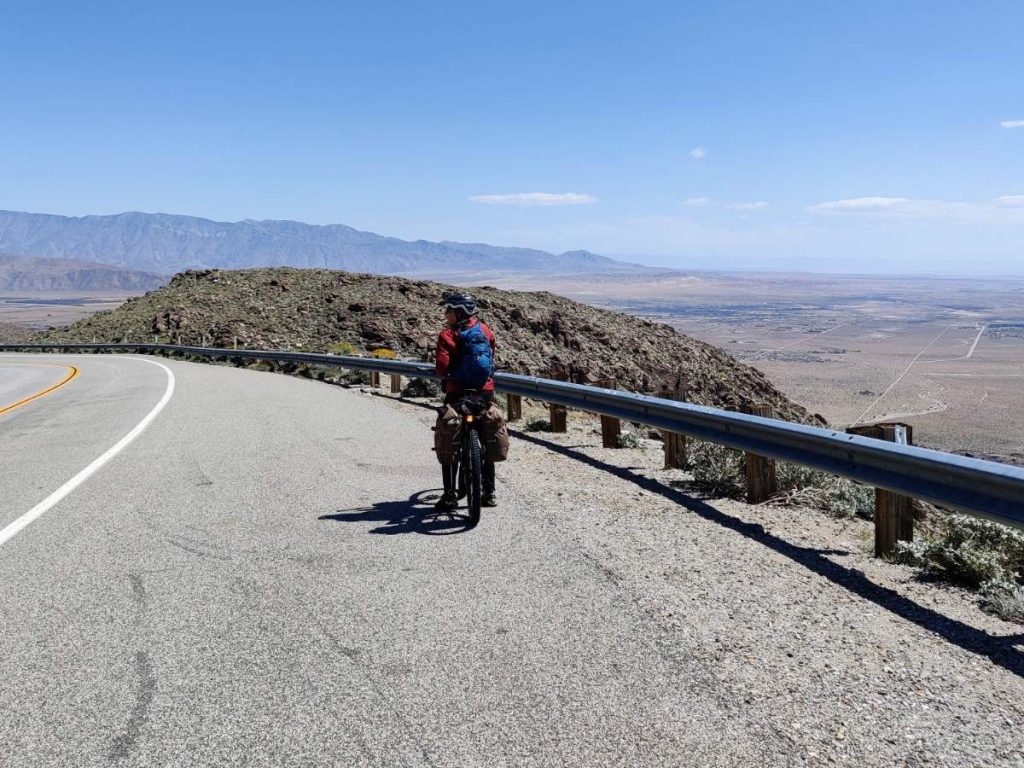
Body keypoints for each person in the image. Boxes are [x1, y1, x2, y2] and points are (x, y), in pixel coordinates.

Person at [434, 291, 498, 511]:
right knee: (486, 436)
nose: (445, 314)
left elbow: (442, 367)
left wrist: (444, 375)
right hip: (483, 393)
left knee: (448, 434)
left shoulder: (447, 335)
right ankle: (489, 493)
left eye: (448, 310)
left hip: (458, 393)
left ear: (458, 312)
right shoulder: (485, 330)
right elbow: (492, 360)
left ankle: (450, 496)